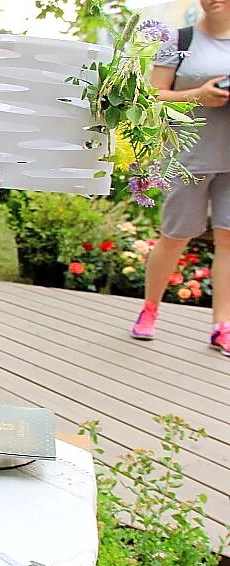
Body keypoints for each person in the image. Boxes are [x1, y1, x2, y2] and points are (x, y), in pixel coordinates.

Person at [131, 1, 230, 356]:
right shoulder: (179, 39)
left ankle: (222, 326)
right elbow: (152, 96)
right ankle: (149, 311)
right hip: (189, 159)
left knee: (228, 242)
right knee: (174, 237)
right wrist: (198, 95)